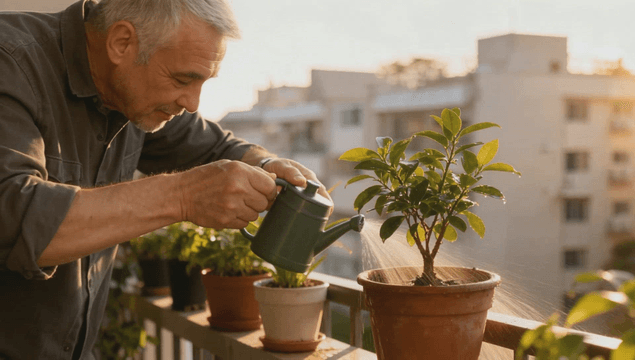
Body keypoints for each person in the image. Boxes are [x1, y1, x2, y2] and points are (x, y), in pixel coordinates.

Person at [0, 0, 331, 358]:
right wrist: (182, 196)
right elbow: (15, 217)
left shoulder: (131, 93)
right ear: (121, 42)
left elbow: (216, 146)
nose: (191, 103)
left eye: (202, 82)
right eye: (181, 79)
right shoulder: (11, 61)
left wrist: (268, 164)